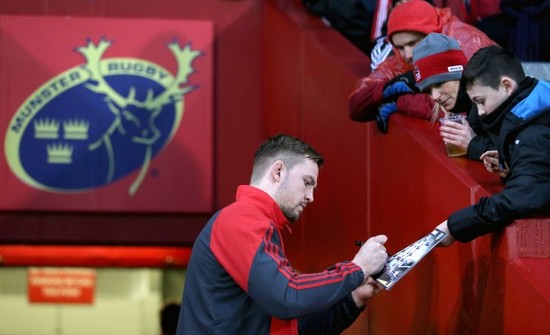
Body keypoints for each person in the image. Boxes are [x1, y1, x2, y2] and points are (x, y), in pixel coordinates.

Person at [176, 134, 389, 334]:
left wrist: (354, 297)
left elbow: (291, 327)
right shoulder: (240, 220)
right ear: (278, 171)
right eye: (307, 183)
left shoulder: (258, 225)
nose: (311, 197)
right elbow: (288, 296)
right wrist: (357, 268)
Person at [435, 46, 550, 245]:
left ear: (506, 86)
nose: (480, 113)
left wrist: (454, 226)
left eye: (481, 101)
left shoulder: (535, 133)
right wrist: (511, 158)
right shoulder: (531, 112)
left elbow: (521, 197)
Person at [348, 0, 496, 133]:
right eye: (400, 46)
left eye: (413, 43)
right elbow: (356, 106)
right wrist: (387, 88)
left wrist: (402, 101)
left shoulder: (463, 41)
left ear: (430, 33)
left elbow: (472, 106)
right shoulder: (401, 58)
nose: (407, 54)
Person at [412, 33, 495, 160]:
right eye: (428, 91)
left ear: (460, 75)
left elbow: (522, 156)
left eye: (440, 83)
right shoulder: (470, 111)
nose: (434, 96)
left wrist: (473, 143)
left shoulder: (492, 104)